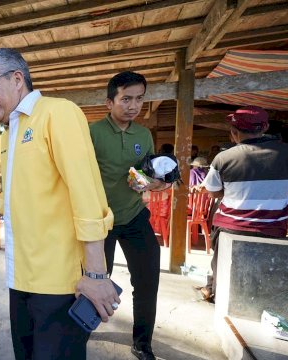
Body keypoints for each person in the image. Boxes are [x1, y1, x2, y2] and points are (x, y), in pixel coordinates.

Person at [0, 48, 118, 360]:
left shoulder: (57, 113)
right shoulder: (7, 135)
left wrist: (96, 276)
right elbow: (12, 191)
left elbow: (87, 193)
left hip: (60, 281)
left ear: (17, 79)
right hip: (20, 275)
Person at [89, 71, 167, 360]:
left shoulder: (144, 135)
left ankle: (142, 343)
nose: (133, 105)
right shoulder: (92, 132)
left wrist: (154, 183)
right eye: (126, 99)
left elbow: (147, 175)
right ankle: (82, 330)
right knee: (97, 280)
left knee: (147, 281)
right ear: (110, 102)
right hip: (100, 220)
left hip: (135, 217)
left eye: (139, 99)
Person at [197, 106, 288, 303]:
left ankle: (215, 291)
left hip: (232, 228)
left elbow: (213, 191)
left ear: (234, 133)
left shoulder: (224, 157)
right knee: (266, 275)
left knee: (223, 266)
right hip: (274, 227)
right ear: (264, 128)